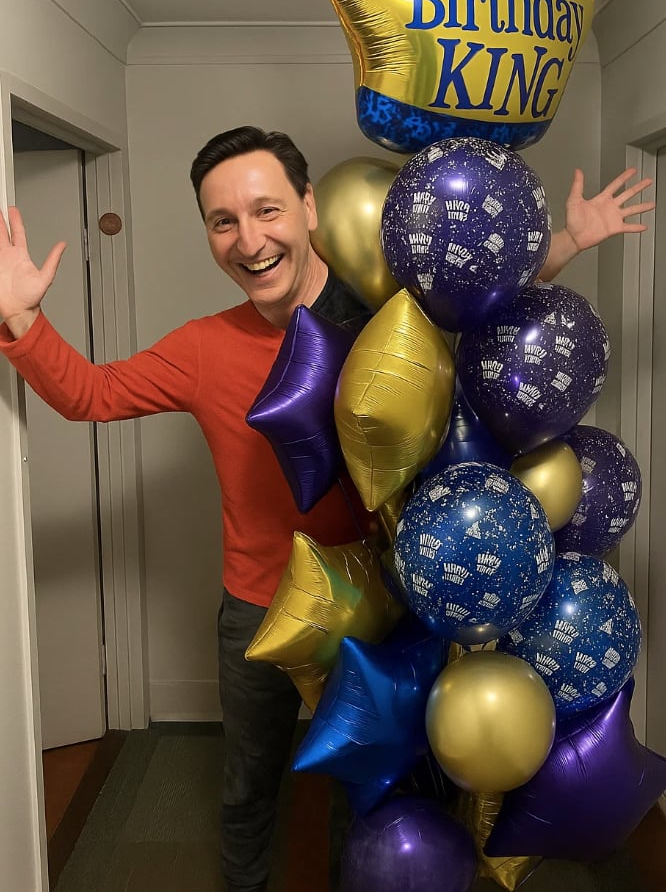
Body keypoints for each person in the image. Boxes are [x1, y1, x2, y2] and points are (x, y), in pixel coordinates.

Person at [0, 126, 655, 892]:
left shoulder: (386, 310)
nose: (250, 239)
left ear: (309, 207)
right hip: (259, 607)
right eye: (223, 221)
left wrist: (569, 242)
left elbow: (477, 306)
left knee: (376, 794)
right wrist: (22, 320)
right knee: (248, 786)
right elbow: (90, 395)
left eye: (267, 209)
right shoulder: (202, 348)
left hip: (384, 601)